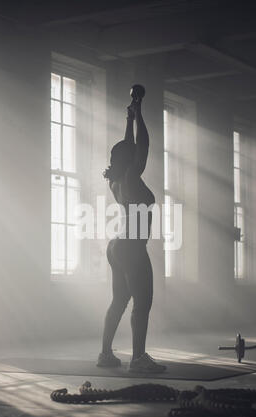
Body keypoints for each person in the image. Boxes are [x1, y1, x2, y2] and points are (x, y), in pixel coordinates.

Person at [97, 94, 166, 373]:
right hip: (132, 247)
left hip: (117, 246)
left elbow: (130, 146)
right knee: (143, 302)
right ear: (130, 160)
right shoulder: (131, 177)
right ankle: (138, 359)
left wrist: (129, 118)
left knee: (120, 300)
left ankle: (105, 355)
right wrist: (139, 112)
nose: (138, 154)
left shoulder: (116, 179)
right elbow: (143, 145)